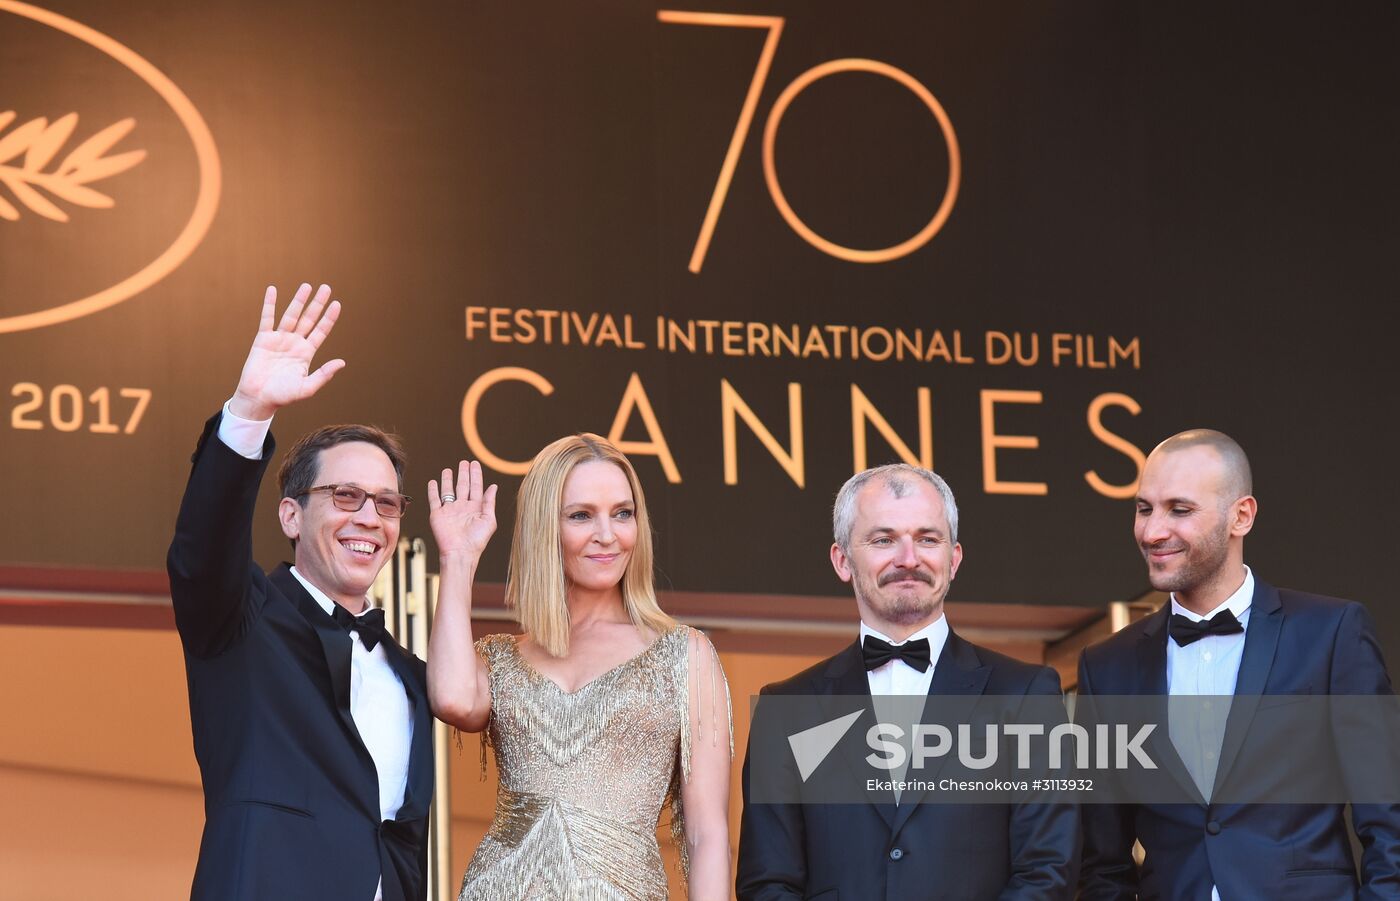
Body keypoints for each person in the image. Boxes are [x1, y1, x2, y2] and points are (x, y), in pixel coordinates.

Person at [167, 284, 435, 900]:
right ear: (290, 517)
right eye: (345, 497)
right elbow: (200, 550)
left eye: (387, 504)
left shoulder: (411, 674)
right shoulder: (240, 619)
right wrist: (250, 409)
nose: (370, 517)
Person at [1077, 429, 1400, 900]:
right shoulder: (1106, 668)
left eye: (1180, 510)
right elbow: (1102, 862)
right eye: (1144, 508)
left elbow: (1389, 815)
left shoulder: (1332, 633)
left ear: (1241, 516)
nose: (1152, 531)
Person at [736, 463, 1080, 900]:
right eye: (883, 540)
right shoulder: (786, 709)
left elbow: (1049, 870)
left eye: (927, 539)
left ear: (953, 559)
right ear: (842, 560)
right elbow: (766, 882)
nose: (908, 559)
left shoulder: (1026, 694)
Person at [427, 433, 733, 900]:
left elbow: (705, 836)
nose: (607, 534)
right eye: (581, 515)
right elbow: (451, 698)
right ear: (544, 527)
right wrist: (458, 558)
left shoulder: (684, 654)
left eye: (622, 513)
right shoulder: (503, 658)